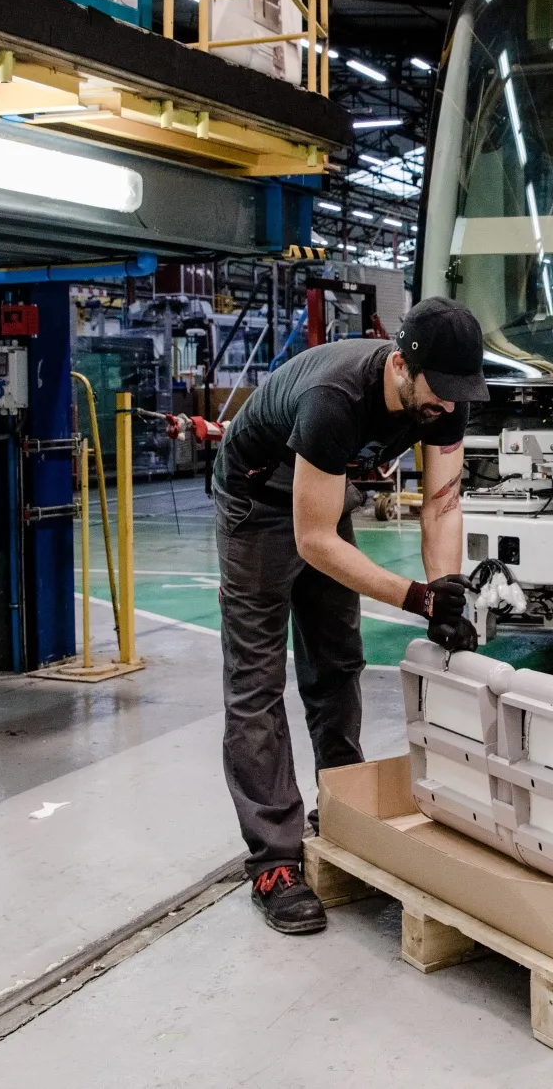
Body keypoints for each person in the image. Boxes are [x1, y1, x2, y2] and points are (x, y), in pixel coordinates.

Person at [211, 296, 488, 934]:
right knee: (255, 683)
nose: (447, 406)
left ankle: (340, 804)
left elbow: (442, 505)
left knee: (337, 661)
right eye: (438, 391)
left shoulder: (445, 397)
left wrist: (445, 592)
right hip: (258, 505)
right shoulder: (335, 397)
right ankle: (274, 861)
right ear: (400, 366)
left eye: (457, 394)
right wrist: (412, 597)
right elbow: (313, 541)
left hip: (321, 498)